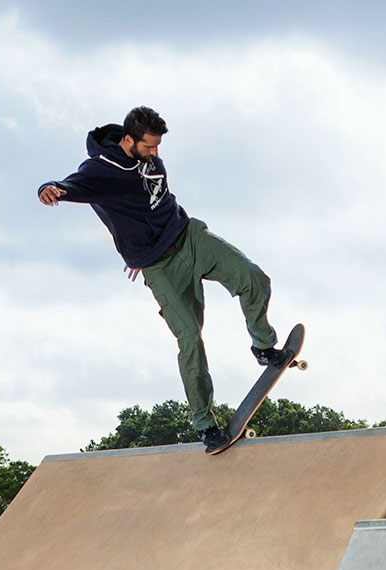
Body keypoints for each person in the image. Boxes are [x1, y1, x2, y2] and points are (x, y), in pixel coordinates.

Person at [38, 106, 288, 450]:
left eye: (157, 147)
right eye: (149, 147)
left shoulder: (152, 159)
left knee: (254, 278)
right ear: (128, 140)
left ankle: (263, 345)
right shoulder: (100, 170)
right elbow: (69, 184)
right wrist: (49, 188)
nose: (155, 154)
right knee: (189, 339)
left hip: (189, 236)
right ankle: (204, 423)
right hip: (159, 266)